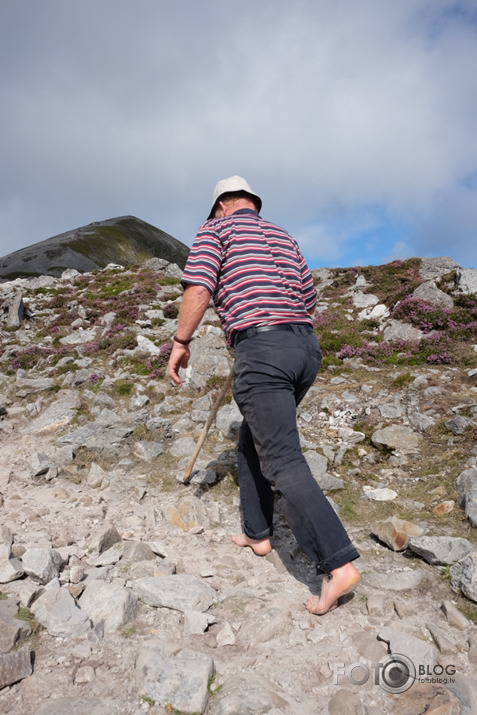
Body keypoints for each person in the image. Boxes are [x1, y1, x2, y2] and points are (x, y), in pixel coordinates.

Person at [168, 175, 360, 615]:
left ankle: (339, 562)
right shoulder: (283, 235)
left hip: (264, 347)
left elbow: (199, 287)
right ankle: (258, 531)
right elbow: (308, 297)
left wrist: (182, 343)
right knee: (253, 438)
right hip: (304, 347)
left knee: (282, 459)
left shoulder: (215, 230)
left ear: (219, 206)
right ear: (252, 202)